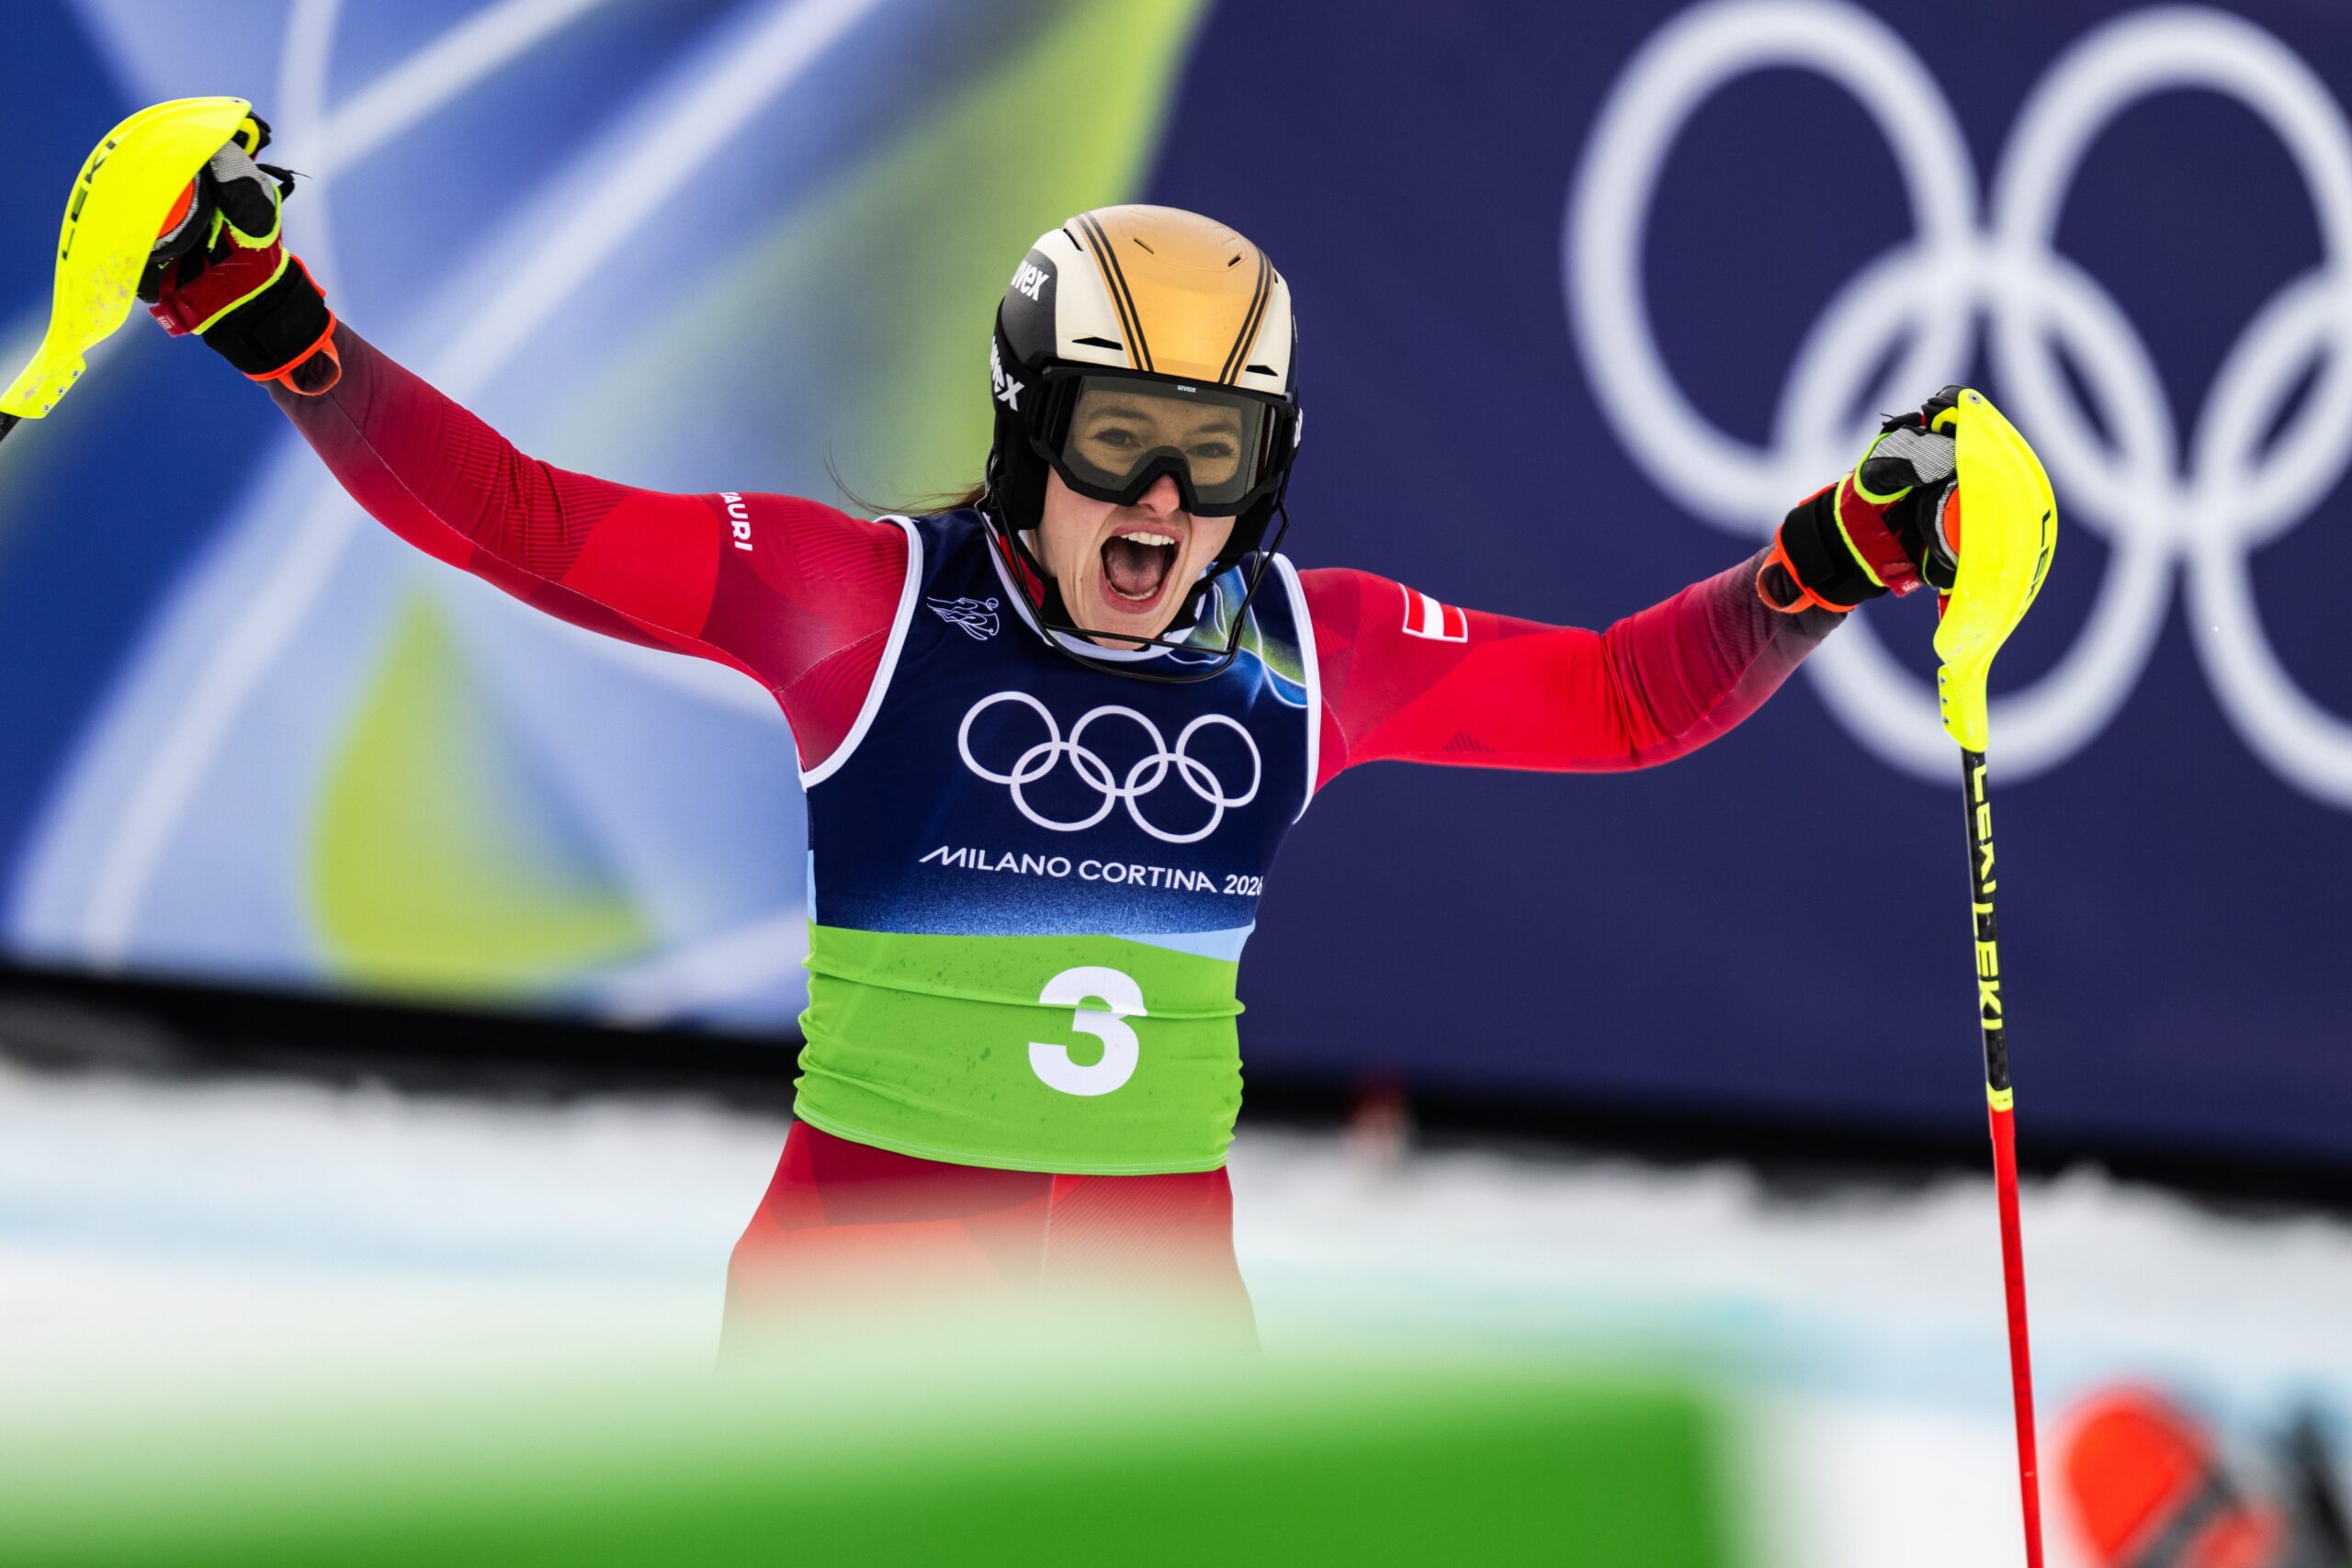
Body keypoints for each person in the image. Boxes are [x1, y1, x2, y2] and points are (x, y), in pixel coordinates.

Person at [142, 117, 1962, 1350]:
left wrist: (1834, 556)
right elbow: (524, 523)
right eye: (1115, 442)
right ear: (1025, 435)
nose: (1161, 507)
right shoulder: (855, 603)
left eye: (1214, 457)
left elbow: (1624, 701)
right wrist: (281, 326)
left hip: (1150, 1353)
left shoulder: (1306, 656)